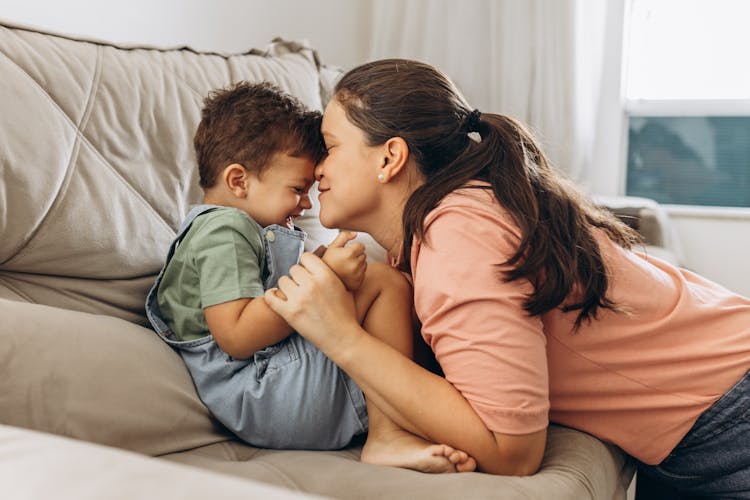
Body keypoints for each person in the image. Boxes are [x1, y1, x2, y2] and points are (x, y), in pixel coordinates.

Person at [264, 59, 750, 497]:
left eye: (329, 147)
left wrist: (339, 336)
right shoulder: (459, 215)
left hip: (730, 421)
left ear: (390, 158)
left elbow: (512, 452)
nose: (317, 168)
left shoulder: (456, 237)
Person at [144, 81, 471, 471]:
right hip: (262, 390)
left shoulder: (244, 229)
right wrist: (325, 276)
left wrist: (320, 269)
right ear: (238, 181)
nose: (305, 204)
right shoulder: (223, 232)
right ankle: (389, 435)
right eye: (298, 189)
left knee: (394, 309)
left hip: (275, 384)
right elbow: (237, 336)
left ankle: (427, 418)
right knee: (382, 284)